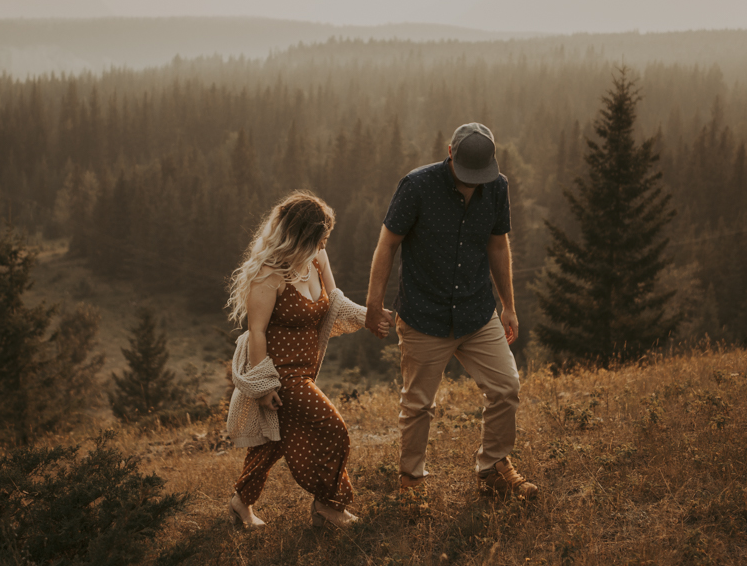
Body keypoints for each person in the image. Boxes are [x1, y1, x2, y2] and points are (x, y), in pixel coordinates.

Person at [365, 122, 538, 499]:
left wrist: (508, 306)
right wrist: (373, 303)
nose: (473, 182)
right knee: (418, 405)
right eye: (467, 175)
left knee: (506, 387)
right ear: (449, 153)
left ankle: (494, 466)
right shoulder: (416, 187)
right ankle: (410, 481)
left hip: (477, 311)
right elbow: (386, 244)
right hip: (424, 313)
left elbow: (497, 246)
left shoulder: (498, 187)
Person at [225, 190, 360, 529]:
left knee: (272, 443)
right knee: (334, 430)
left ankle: (240, 503)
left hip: (306, 369)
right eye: (320, 237)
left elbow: (335, 303)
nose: (325, 244)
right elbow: (256, 332)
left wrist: (371, 316)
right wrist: (265, 386)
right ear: (302, 236)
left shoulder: (317, 259)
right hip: (283, 374)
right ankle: (329, 506)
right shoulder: (269, 274)